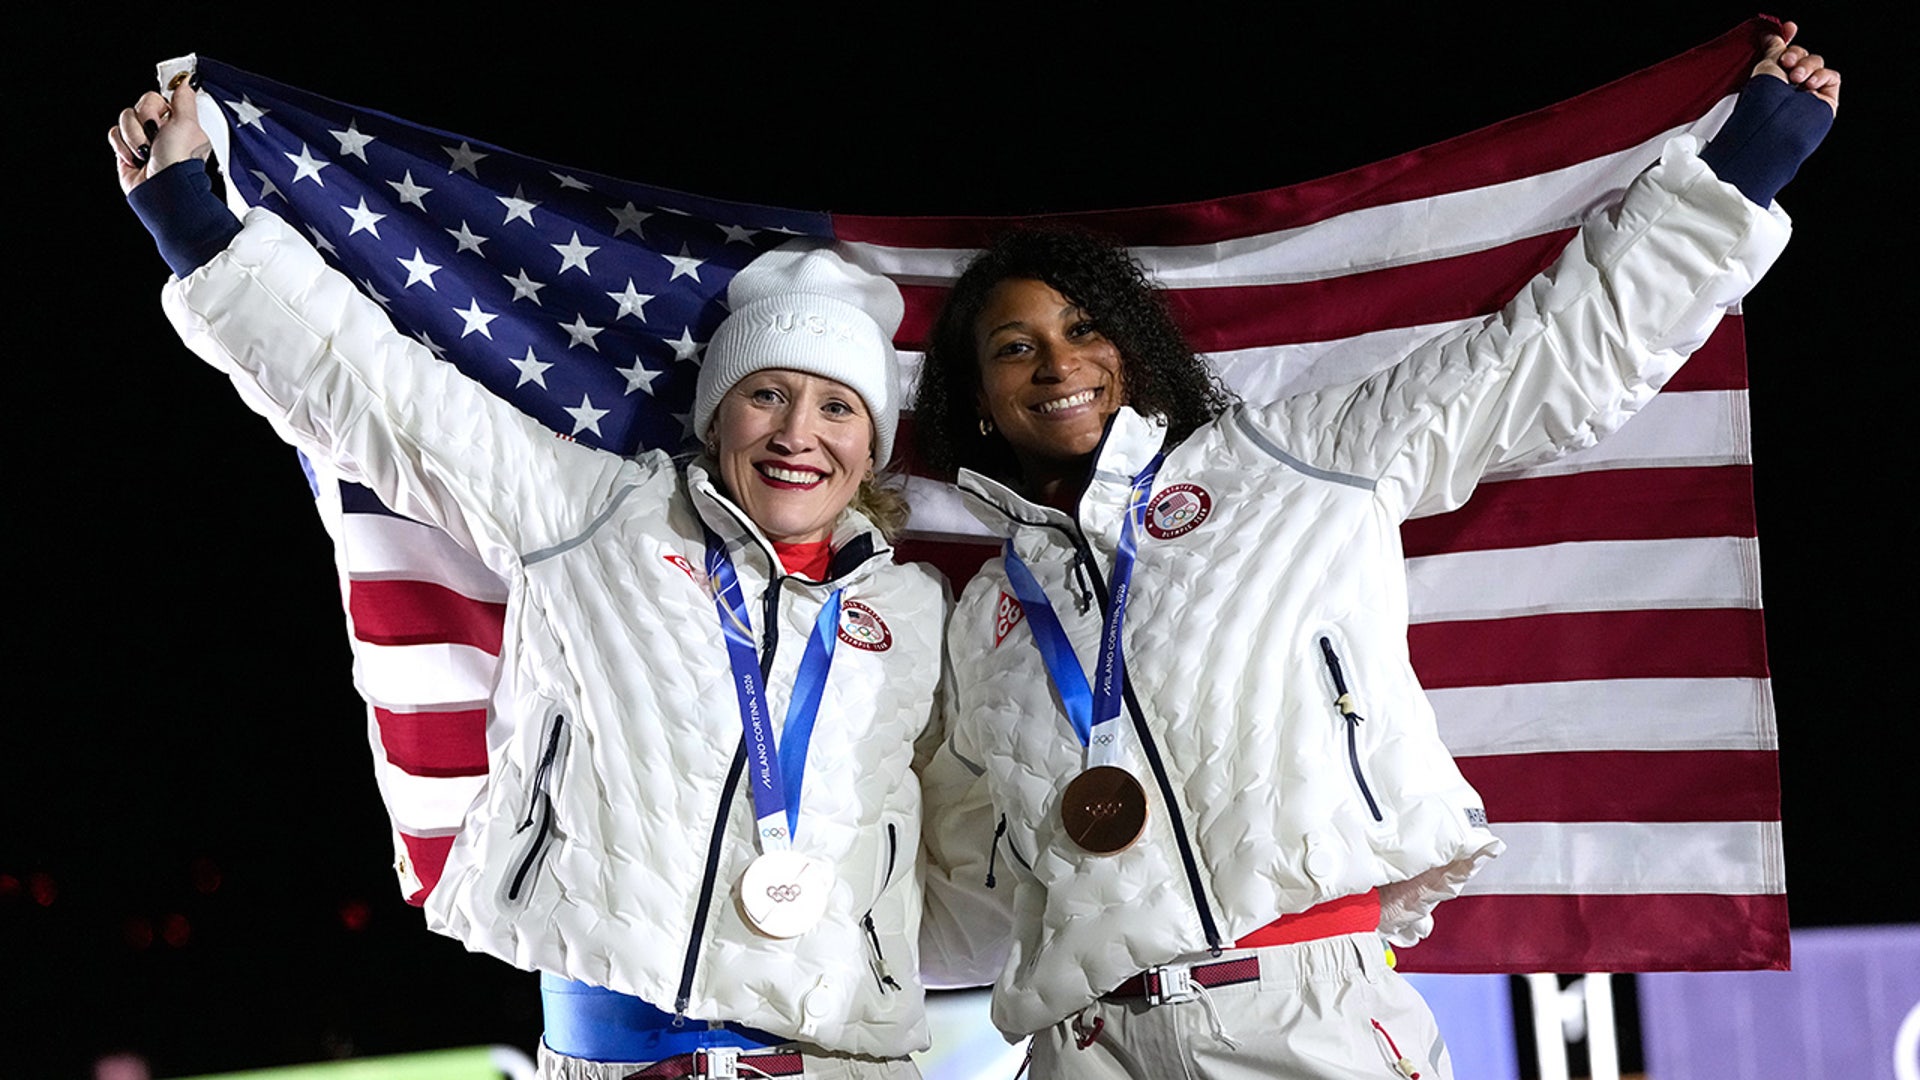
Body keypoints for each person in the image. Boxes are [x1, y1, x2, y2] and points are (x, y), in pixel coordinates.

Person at [912, 24, 1839, 1080]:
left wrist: (1738, 175)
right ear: (976, 402)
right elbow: (955, 896)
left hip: (1302, 1022)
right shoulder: (987, 618)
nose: (1057, 364)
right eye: (1013, 347)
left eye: (1084, 329)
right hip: (1083, 1051)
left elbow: (1530, 359)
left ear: (1135, 347)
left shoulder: (1290, 460)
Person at [112, 78, 971, 1080]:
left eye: (838, 411)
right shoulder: (594, 514)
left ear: (871, 449)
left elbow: (973, 844)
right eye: (767, 395)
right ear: (716, 417)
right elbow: (385, 398)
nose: (797, 436)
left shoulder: (916, 612)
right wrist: (193, 222)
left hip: (843, 1064)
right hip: (615, 1057)